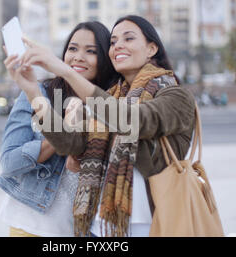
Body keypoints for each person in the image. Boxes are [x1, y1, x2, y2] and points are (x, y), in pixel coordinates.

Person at [16, 15, 197, 237]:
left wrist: (66, 71)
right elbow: (70, 144)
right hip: (101, 227)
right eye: (113, 42)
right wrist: (32, 91)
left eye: (128, 38)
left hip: (154, 224)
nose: (118, 45)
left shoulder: (175, 96)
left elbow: (131, 121)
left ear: (151, 49)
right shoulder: (112, 97)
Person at [0, 21, 118, 237]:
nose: (78, 57)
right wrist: (62, 132)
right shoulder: (37, 93)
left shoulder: (111, 106)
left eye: (91, 51)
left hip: (86, 231)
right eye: (72, 48)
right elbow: (10, 163)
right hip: (32, 226)